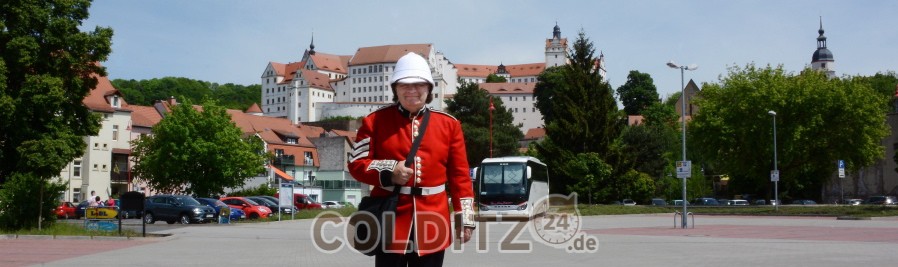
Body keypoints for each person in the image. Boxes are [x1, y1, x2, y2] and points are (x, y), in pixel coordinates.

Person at [348, 52, 475, 267]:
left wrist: (466, 219)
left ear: (429, 89)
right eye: (405, 85)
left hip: (433, 219)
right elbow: (356, 165)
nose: (412, 91)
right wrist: (389, 171)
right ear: (395, 89)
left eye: (419, 85)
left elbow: (460, 176)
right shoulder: (374, 121)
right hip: (390, 218)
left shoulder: (449, 125)